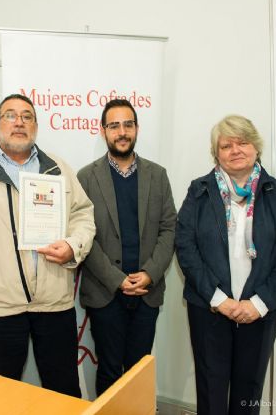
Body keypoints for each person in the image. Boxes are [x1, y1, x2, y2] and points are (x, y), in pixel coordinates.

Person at [0, 93, 95, 397]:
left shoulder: (58, 169)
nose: (19, 122)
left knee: (64, 393)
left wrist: (72, 246)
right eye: (11, 115)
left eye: (27, 116)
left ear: (36, 126)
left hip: (55, 303)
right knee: (0, 398)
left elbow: (83, 215)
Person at [175, 115, 276, 415]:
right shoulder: (199, 191)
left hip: (261, 311)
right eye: (226, 145)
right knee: (211, 391)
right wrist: (219, 300)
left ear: (256, 148)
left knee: (249, 393)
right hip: (209, 310)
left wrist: (258, 304)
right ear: (216, 153)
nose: (235, 150)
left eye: (243, 142)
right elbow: (186, 249)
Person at [77, 99, 177, 396]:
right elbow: (83, 236)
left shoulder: (157, 175)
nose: (122, 132)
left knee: (138, 372)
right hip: (104, 293)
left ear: (136, 128)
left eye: (128, 124)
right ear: (103, 131)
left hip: (147, 292)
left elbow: (169, 228)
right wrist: (117, 279)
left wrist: (149, 273)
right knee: (109, 368)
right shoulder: (86, 177)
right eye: (114, 125)